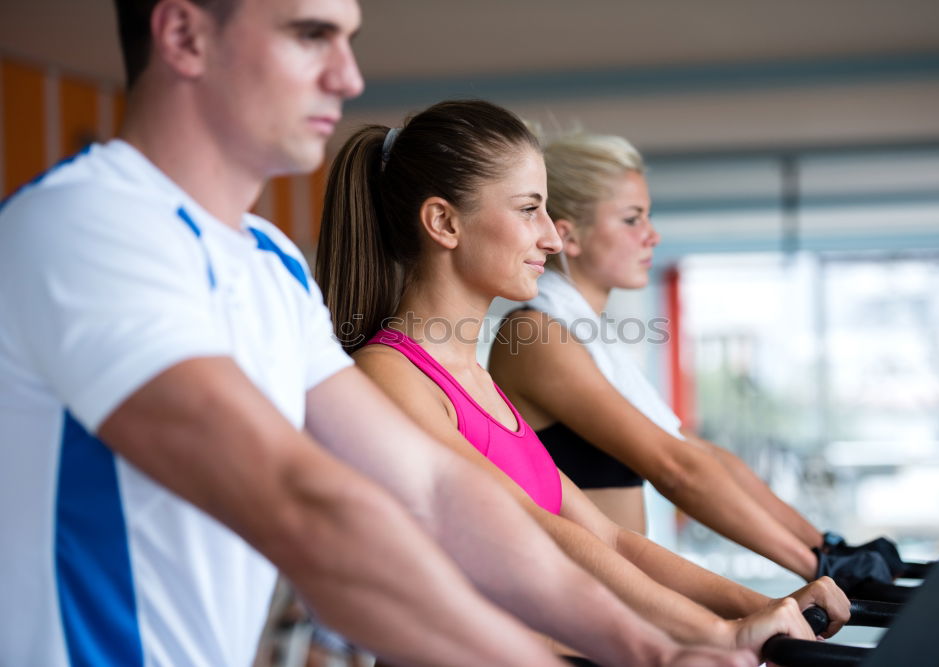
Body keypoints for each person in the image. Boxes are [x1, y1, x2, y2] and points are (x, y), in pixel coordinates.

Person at [0, 1, 752, 665]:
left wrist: (657, 650)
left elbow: (434, 489)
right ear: (184, 35)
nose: (349, 75)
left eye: (348, 37)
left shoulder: (268, 262)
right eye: (311, 34)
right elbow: (307, 506)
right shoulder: (87, 225)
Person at [316, 99, 851, 665]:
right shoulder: (390, 375)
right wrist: (715, 633)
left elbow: (611, 539)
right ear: (444, 223)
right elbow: (531, 529)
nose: (550, 237)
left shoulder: (476, 379)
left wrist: (760, 607)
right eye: (529, 209)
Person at [487, 130, 902, 593]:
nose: (652, 235)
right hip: (562, 605)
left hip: (606, 596)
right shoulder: (536, 334)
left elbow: (700, 454)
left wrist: (826, 546)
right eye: (631, 219)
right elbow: (675, 469)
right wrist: (814, 568)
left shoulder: (586, 335)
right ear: (569, 236)